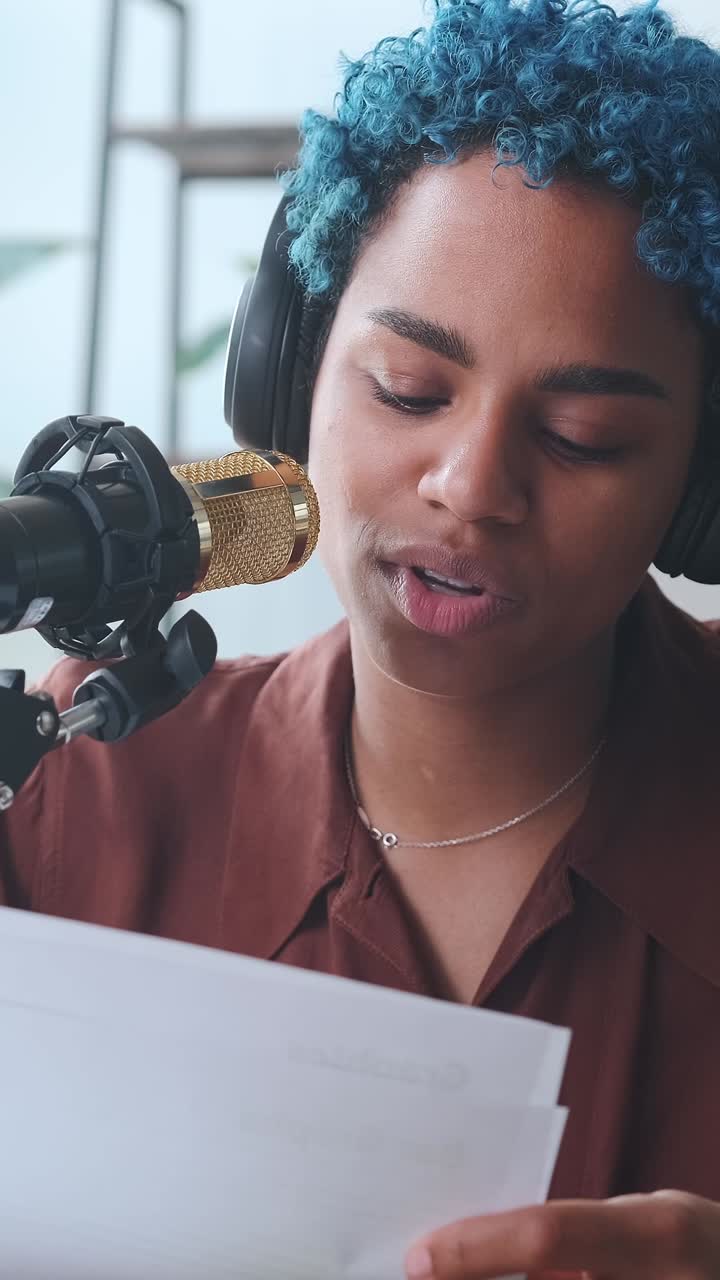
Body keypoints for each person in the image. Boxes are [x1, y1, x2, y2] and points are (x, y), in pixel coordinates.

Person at [3, 0, 720, 1273]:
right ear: (292, 370)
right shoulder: (78, 793)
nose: (470, 486)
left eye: (584, 437)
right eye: (407, 389)